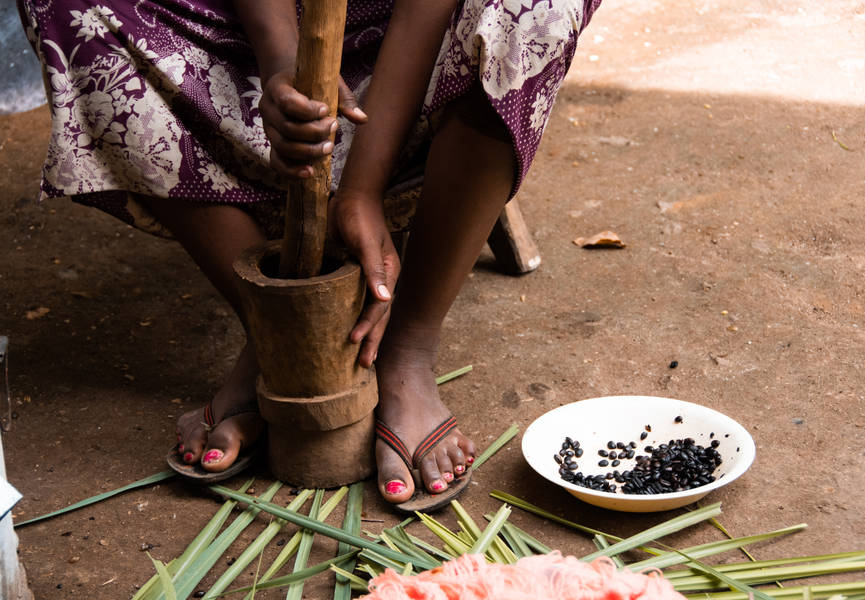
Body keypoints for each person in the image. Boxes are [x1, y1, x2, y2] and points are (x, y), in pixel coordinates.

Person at [17, 0, 602, 508]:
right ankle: (285, 331)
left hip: (421, 33)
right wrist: (281, 60)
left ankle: (405, 352)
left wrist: (362, 189)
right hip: (233, 26)